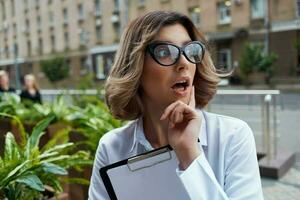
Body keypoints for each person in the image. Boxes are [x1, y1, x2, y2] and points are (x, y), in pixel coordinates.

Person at [89, 11, 263, 200]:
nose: (184, 62)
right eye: (164, 52)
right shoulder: (112, 147)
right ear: (136, 65)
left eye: (190, 50)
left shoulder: (232, 136)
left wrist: (189, 154)